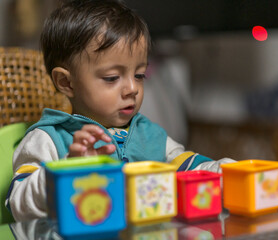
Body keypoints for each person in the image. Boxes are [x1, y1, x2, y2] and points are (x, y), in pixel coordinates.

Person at [6, 0, 235, 221]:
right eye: (112, 78)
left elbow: (186, 166)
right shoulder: (47, 139)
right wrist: (68, 169)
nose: (133, 89)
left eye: (139, 75)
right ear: (66, 83)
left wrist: (222, 170)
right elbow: (19, 204)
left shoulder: (147, 134)